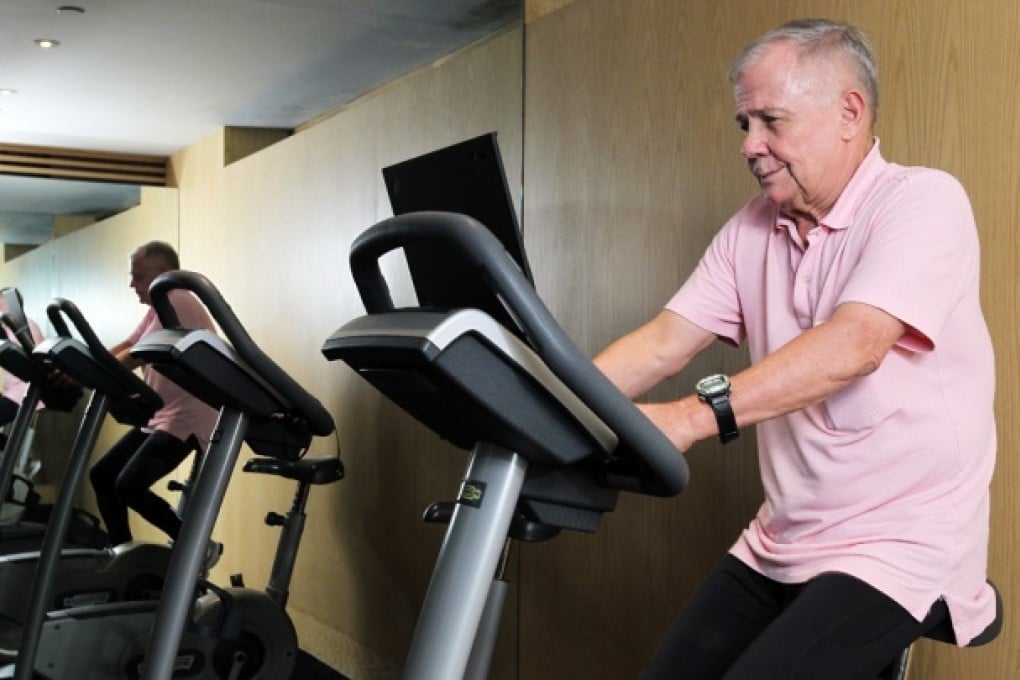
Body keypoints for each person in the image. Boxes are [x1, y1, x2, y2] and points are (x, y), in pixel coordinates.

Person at [594, 19, 997, 679]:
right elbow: (663, 344)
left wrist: (690, 417)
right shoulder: (752, 228)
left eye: (771, 122)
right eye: (743, 125)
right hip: (782, 538)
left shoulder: (921, 202)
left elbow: (854, 346)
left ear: (849, 113)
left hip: (901, 543)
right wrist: (547, 408)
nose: (751, 146)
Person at [88, 240, 222, 568]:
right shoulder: (157, 307)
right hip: (163, 415)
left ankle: (199, 546)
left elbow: (136, 356)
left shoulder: (176, 298)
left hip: (189, 416)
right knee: (103, 476)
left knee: (128, 484)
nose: (132, 284)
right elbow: (128, 343)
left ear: (163, 274)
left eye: (138, 276)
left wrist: (84, 373)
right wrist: (83, 362)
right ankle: (123, 559)